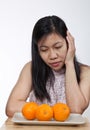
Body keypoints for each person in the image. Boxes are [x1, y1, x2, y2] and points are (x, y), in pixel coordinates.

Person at [5, 15, 90, 117]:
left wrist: (69, 63)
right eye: (44, 50)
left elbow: (76, 110)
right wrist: (50, 111)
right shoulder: (31, 68)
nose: (53, 56)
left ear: (69, 43)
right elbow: (11, 107)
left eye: (58, 47)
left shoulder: (85, 72)